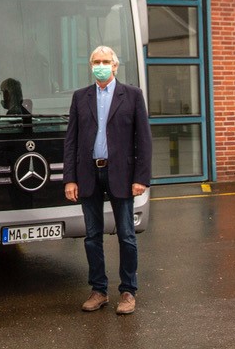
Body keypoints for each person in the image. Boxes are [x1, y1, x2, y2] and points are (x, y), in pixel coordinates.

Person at [63, 45, 152, 315]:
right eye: (96, 61)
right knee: (92, 236)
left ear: (115, 66)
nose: (100, 65)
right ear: (91, 66)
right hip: (89, 173)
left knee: (126, 235)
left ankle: (128, 291)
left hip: (122, 175)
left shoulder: (133, 96)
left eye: (105, 61)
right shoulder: (81, 97)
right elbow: (72, 140)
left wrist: (141, 178)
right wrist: (70, 179)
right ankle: (98, 290)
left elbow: (143, 140)